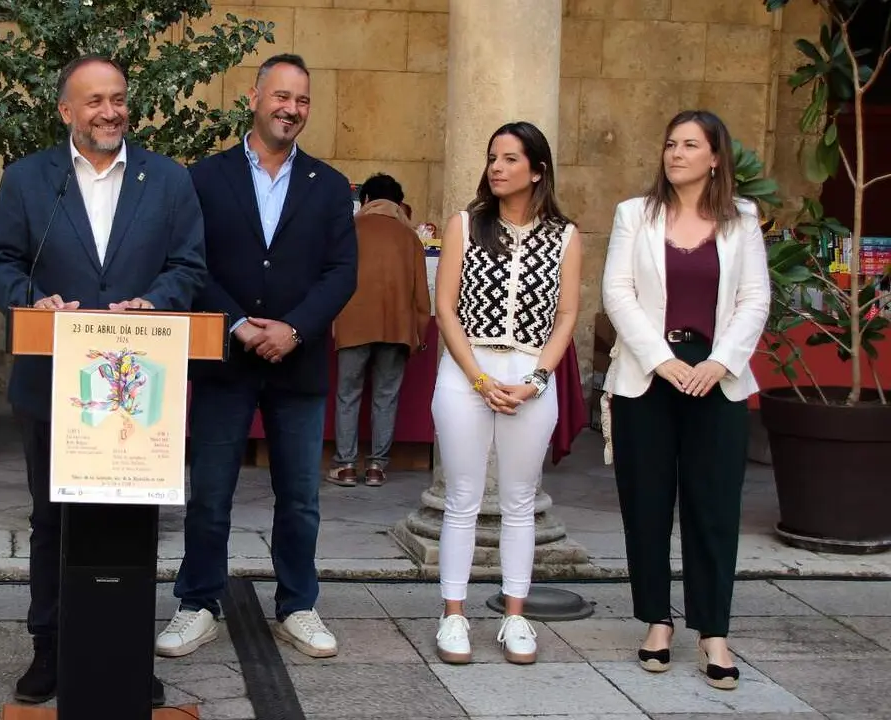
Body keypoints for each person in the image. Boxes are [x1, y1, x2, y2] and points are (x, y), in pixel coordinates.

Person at [0, 54, 206, 706]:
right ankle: (49, 648)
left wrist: (156, 302)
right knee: (52, 521)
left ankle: (126, 650)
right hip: (54, 382)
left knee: (132, 522)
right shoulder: (28, 181)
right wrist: (31, 298)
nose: (111, 111)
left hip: (140, 391)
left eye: (118, 98)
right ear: (66, 111)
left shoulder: (166, 180)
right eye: (95, 101)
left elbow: (189, 264)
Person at [155, 54, 357, 660]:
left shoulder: (328, 186)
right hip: (225, 360)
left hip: (297, 363)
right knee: (210, 493)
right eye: (281, 97)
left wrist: (293, 328)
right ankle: (198, 603)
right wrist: (239, 324)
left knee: (299, 496)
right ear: (254, 97)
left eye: (302, 100)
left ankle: (298, 603)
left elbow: (342, 272)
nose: (291, 109)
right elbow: (189, 263)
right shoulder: (204, 178)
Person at [601, 109, 769, 691]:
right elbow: (616, 293)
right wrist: (661, 359)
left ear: (715, 157)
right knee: (645, 504)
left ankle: (714, 633)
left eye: (690, 145)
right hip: (649, 376)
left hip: (718, 376)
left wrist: (719, 362)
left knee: (714, 508)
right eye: (670, 143)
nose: (676, 153)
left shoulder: (743, 218)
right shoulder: (634, 214)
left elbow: (755, 299)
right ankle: (655, 622)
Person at [430, 122, 582, 666]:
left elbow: (566, 315)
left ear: (537, 170)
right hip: (465, 370)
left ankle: (515, 616)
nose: (496, 167)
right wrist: (476, 377)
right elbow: (445, 308)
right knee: (462, 499)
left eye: (510, 158)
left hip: (530, 377)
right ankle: (453, 616)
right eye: (493, 156)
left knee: (520, 502)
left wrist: (538, 379)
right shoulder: (466, 224)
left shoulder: (564, 234)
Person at [327, 173, 431, 487]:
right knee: (386, 397)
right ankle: (376, 467)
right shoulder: (409, 237)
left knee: (348, 395)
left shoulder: (348, 230)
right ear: (399, 203)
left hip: (353, 324)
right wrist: (419, 336)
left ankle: (345, 466)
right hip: (397, 328)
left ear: (366, 200)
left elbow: (332, 279)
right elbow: (421, 295)